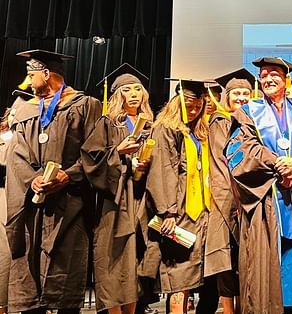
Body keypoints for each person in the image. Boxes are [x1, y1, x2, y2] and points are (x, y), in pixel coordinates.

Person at [225, 58, 292, 314]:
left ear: (286, 80)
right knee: (264, 267)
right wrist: (278, 165)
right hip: (266, 199)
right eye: (263, 74)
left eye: (274, 74)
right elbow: (239, 150)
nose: (268, 79)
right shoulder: (248, 111)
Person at [5, 50, 102, 314]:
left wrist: (68, 175)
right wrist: (33, 179)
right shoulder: (27, 109)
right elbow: (18, 155)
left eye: (31, 74)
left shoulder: (84, 105)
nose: (28, 79)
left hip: (70, 203)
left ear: (47, 74)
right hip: (32, 205)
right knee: (29, 267)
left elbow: (96, 150)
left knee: (65, 265)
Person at [81, 64, 156, 314]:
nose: (134, 94)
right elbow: (91, 158)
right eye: (127, 90)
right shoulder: (108, 123)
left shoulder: (150, 125)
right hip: (116, 202)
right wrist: (118, 152)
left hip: (143, 199)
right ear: (118, 95)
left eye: (138, 89)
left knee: (135, 265)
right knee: (115, 264)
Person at [147, 78, 215, 314]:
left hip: (200, 212)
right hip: (179, 213)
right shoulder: (165, 128)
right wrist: (168, 212)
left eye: (198, 106)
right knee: (179, 277)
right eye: (189, 105)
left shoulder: (198, 131)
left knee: (193, 276)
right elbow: (162, 171)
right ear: (176, 102)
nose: (194, 110)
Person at [206, 68, 257, 314]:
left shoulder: (253, 121)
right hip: (227, 196)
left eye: (246, 93)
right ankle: (228, 311)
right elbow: (221, 161)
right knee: (226, 257)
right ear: (226, 96)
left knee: (245, 257)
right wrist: (232, 197)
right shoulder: (221, 121)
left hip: (250, 196)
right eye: (236, 93)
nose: (241, 97)